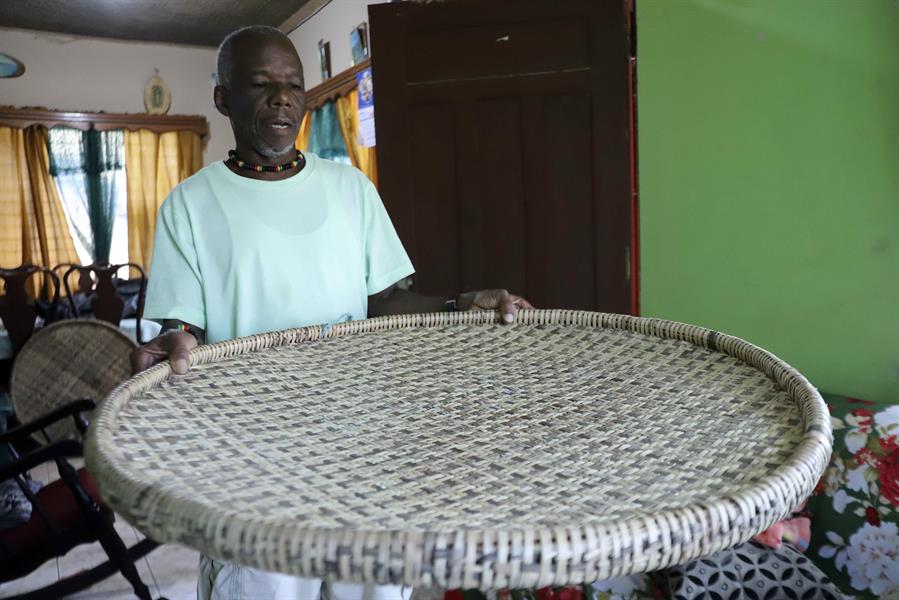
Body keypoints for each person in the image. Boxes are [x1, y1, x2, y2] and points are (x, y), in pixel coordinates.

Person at [131, 25, 532, 600]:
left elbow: (387, 303)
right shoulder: (189, 206)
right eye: (261, 84)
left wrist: (463, 303)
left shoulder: (351, 189)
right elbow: (184, 328)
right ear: (223, 99)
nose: (282, 97)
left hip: (361, 448)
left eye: (293, 84)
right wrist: (174, 344)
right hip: (254, 463)